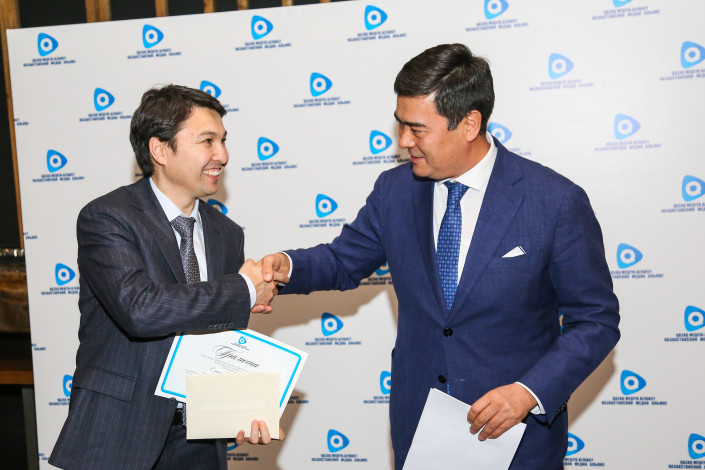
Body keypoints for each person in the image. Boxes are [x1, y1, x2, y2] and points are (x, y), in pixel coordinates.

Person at [260, 44, 620, 469]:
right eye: (400, 125)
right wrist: (284, 266)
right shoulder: (394, 191)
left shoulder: (553, 201)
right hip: (420, 431)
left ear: (469, 123)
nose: (403, 141)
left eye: (417, 129)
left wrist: (528, 392)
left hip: (517, 440)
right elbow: (342, 261)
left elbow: (594, 321)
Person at [50, 85, 281, 470]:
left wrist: (241, 410)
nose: (222, 155)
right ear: (160, 150)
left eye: (223, 141)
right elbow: (140, 310)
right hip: (121, 436)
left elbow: (218, 339)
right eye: (207, 141)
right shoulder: (108, 217)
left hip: (200, 440)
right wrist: (242, 289)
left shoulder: (227, 233)